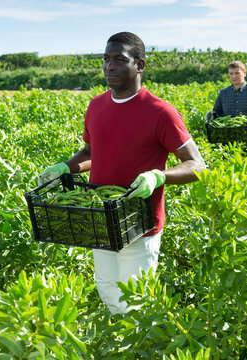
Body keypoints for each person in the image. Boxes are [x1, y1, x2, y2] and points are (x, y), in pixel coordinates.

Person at [37, 31, 206, 315]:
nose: (109, 66)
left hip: (139, 223)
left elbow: (197, 165)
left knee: (136, 302)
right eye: (105, 59)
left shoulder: (161, 112)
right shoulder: (96, 106)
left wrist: (159, 176)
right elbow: (92, 153)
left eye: (119, 59)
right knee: (107, 289)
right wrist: (64, 167)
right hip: (101, 219)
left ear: (139, 65)